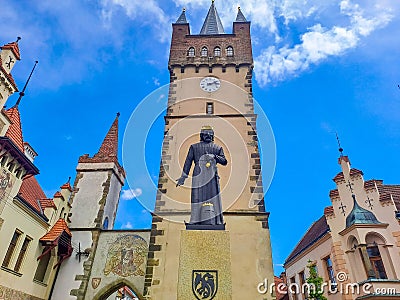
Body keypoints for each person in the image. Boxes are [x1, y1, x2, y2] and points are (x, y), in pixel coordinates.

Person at [176, 126, 227, 226]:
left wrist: (215, 156)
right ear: (201, 135)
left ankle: (216, 221)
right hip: (198, 173)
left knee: (213, 197)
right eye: (205, 133)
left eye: (210, 133)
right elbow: (188, 162)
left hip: (211, 174)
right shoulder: (194, 147)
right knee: (196, 197)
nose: (208, 135)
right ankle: (194, 220)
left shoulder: (217, 148)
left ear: (212, 135)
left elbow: (224, 161)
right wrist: (183, 177)